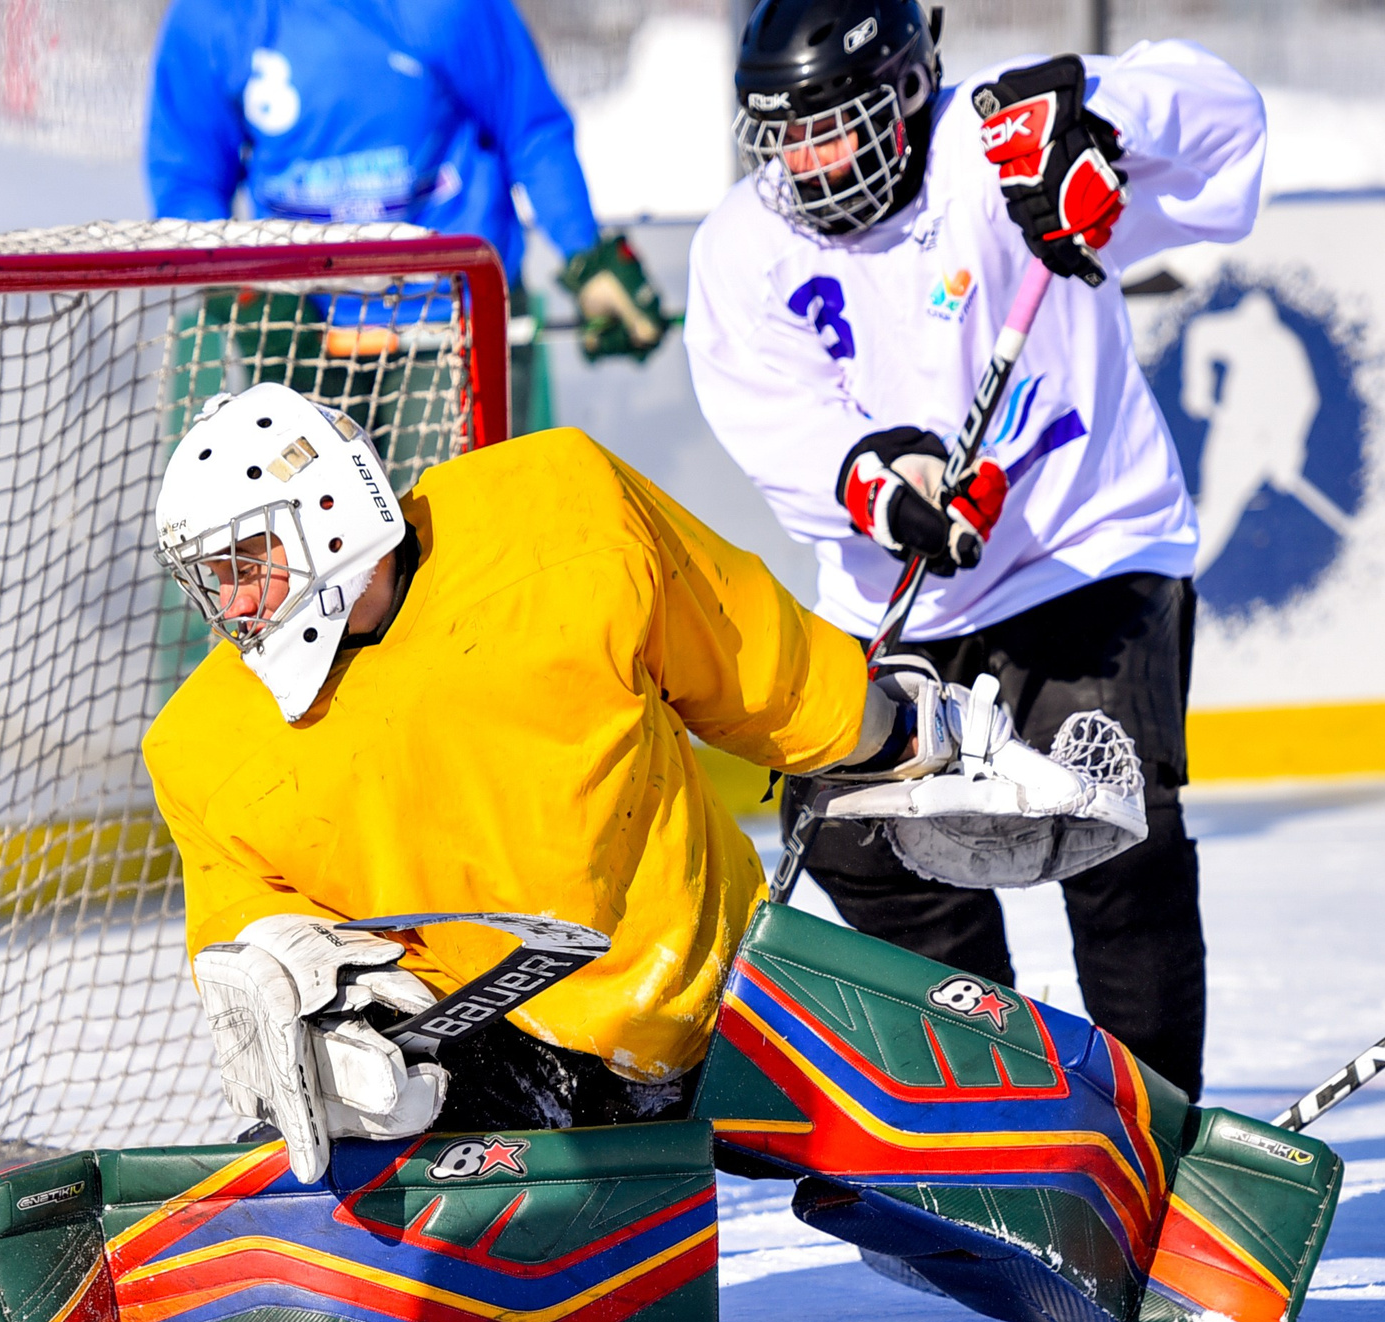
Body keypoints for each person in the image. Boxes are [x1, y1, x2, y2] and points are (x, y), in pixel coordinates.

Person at [140, 381, 1120, 1185]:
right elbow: (244, 938)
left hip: (713, 993)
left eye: (245, 562)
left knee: (988, 1155)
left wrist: (901, 732)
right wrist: (329, 1023)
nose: (230, 603)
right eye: (213, 577)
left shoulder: (554, 509)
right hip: (478, 1062)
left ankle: (1095, 1152)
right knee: (335, 1147)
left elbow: (750, 658)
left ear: (330, 513)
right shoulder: (202, 745)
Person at [686, 0, 1268, 1099]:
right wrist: (878, 485)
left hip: (1084, 545)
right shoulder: (741, 247)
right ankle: (995, 1104)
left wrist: (1103, 128)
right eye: (783, 138)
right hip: (892, 587)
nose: (806, 165)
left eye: (832, 130)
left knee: (1119, 838)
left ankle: (1151, 1133)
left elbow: (1228, 121)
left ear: (908, 90)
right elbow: (773, 415)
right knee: (856, 839)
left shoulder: (1001, 136)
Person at [146, 0, 668, 444]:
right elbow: (188, 179)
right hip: (301, 332)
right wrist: (249, 294)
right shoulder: (215, 16)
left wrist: (586, 255)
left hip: (452, 326)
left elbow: (529, 128)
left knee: (452, 526)